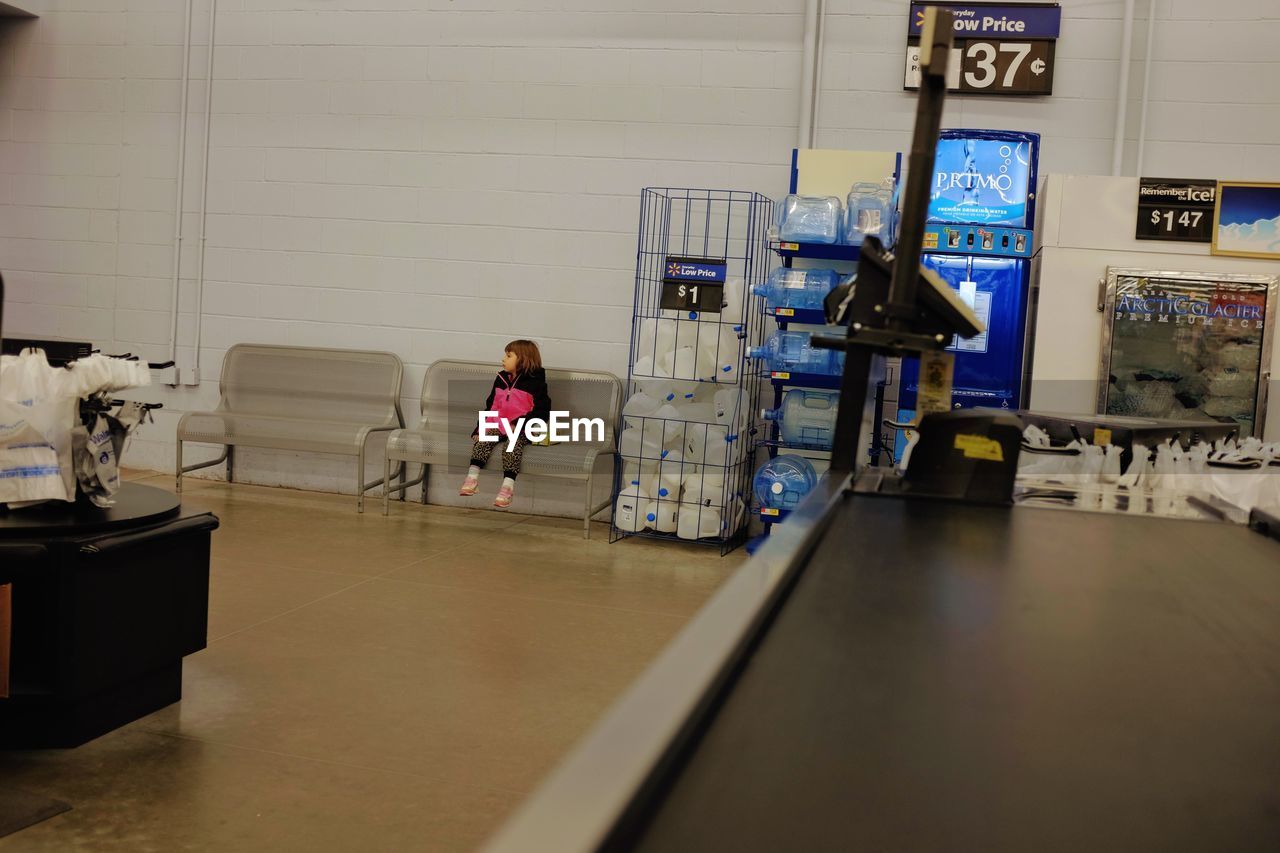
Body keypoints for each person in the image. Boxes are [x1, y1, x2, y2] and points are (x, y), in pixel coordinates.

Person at [460, 339, 550, 508]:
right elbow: (490, 406)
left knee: (511, 446)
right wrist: (481, 428)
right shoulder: (501, 378)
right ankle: (472, 478)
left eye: (508, 356)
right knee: (483, 440)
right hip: (500, 425)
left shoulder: (536, 383)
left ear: (523, 359)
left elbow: (542, 411)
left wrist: (519, 423)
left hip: (523, 428)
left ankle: (507, 488)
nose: (503, 359)